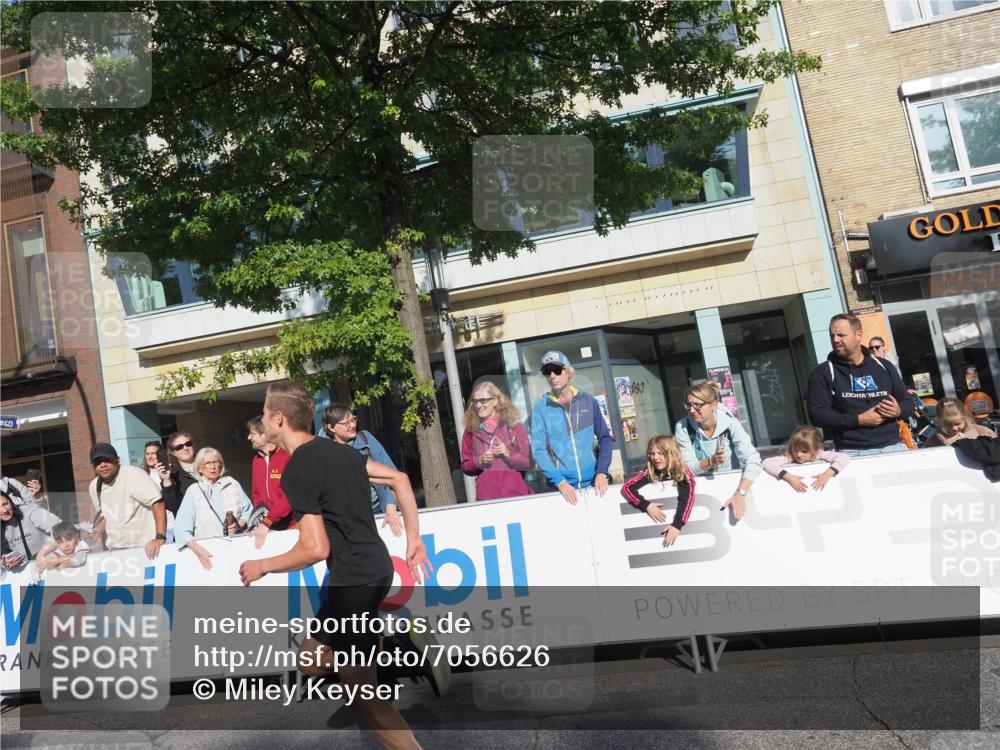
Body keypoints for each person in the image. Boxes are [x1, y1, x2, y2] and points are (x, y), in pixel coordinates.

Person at [239, 382, 437, 749]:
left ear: (279, 419)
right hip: (373, 569)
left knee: (363, 696)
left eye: (265, 413)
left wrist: (264, 565)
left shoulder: (297, 468)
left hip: (354, 582)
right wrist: (414, 540)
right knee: (311, 660)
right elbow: (400, 479)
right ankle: (396, 650)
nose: (262, 418)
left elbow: (314, 548)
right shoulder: (339, 451)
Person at [808, 314, 914, 455]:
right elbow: (817, 415)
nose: (835, 340)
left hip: (894, 447)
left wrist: (898, 410)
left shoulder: (884, 366)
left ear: (859, 335)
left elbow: (908, 403)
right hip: (852, 451)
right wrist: (858, 420)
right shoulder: (823, 372)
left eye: (841, 335)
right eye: (832, 336)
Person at [530, 351, 613, 505]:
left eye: (557, 369)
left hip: (596, 484)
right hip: (563, 490)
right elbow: (538, 451)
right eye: (547, 372)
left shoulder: (589, 401)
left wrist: (602, 471)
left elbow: (605, 439)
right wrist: (559, 481)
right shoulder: (540, 408)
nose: (552, 375)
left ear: (568, 371)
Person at [674, 381, 761, 521]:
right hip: (703, 493)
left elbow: (754, 460)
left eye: (698, 405)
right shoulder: (682, 427)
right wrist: (710, 461)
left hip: (734, 487)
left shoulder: (730, 422)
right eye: (689, 405)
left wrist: (741, 494)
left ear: (713, 404)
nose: (691, 410)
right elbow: (688, 469)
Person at [322, 403, 403, 536]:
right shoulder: (323, 451)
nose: (353, 425)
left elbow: (392, 473)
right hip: (345, 520)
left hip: (377, 512)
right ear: (331, 427)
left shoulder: (365, 439)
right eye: (346, 423)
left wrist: (390, 506)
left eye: (353, 419)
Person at [174, 447, 253, 570]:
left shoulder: (232, 484)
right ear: (199, 468)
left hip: (237, 547)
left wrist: (239, 524)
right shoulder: (194, 491)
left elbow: (249, 512)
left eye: (216, 462)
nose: (213, 466)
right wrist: (198, 550)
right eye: (208, 463)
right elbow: (181, 528)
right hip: (208, 551)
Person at [87, 442, 167, 559]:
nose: (102, 465)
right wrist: (99, 529)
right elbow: (107, 515)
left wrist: (159, 537)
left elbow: (158, 503)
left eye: (107, 460)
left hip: (145, 547)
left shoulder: (134, 475)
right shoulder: (94, 486)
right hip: (115, 550)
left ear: (117, 460)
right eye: (97, 462)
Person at [460, 381, 534, 501]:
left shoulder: (514, 426)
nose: (478, 405)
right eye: (475, 401)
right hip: (486, 499)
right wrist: (479, 461)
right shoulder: (470, 431)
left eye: (483, 400)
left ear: (495, 401)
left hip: (516, 496)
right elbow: (465, 466)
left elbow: (529, 462)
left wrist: (508, 453)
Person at [621, 435, 695, 547]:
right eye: (652, 454)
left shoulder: (682, 472)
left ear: (671, 454)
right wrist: (646, 505)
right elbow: (627, 488)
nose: (655, 458)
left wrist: (677, 524)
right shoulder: (651, 472)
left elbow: (687, 499)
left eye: (660, 453)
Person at [247, 416, 296, 547]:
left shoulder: (287, 455)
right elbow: (257, 495)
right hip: (271, 528)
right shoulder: (257, 461)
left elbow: (290, 495)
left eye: (252, 434)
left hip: (294, 527)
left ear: (266, 435)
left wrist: (269, 520)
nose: (249, 438)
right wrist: (259, 520)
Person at [924, 398, 1000, 481]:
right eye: (948, 424)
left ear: (964, 417)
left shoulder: (983, 432)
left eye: (957, 424)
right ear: (940, 421)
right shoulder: (933, 442)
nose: (954, 428)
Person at [762, 425, 851, 493]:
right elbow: (766, 463)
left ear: (814, 450)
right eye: (795, 450)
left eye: (804, 451)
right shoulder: (789, 458)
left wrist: (827, 474)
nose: (798, 454)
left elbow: (844, 457)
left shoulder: (819, 454)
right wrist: (789, 477)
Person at [1, 490, 62, 573]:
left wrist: (43, 551)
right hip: (22, 576)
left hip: (52, 565)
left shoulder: (29, 511)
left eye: (5, 504)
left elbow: (63, 529)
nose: (4, 510)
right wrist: (5, 562)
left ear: (11, 502)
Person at [160, 431, 199, 516]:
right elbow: (173, 506)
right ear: (173, 452)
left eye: (188, 444)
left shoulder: (209, 465)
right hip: (190, 524)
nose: (185, 448)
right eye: (179, 447)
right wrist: (166, 480)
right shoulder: (173, 475)